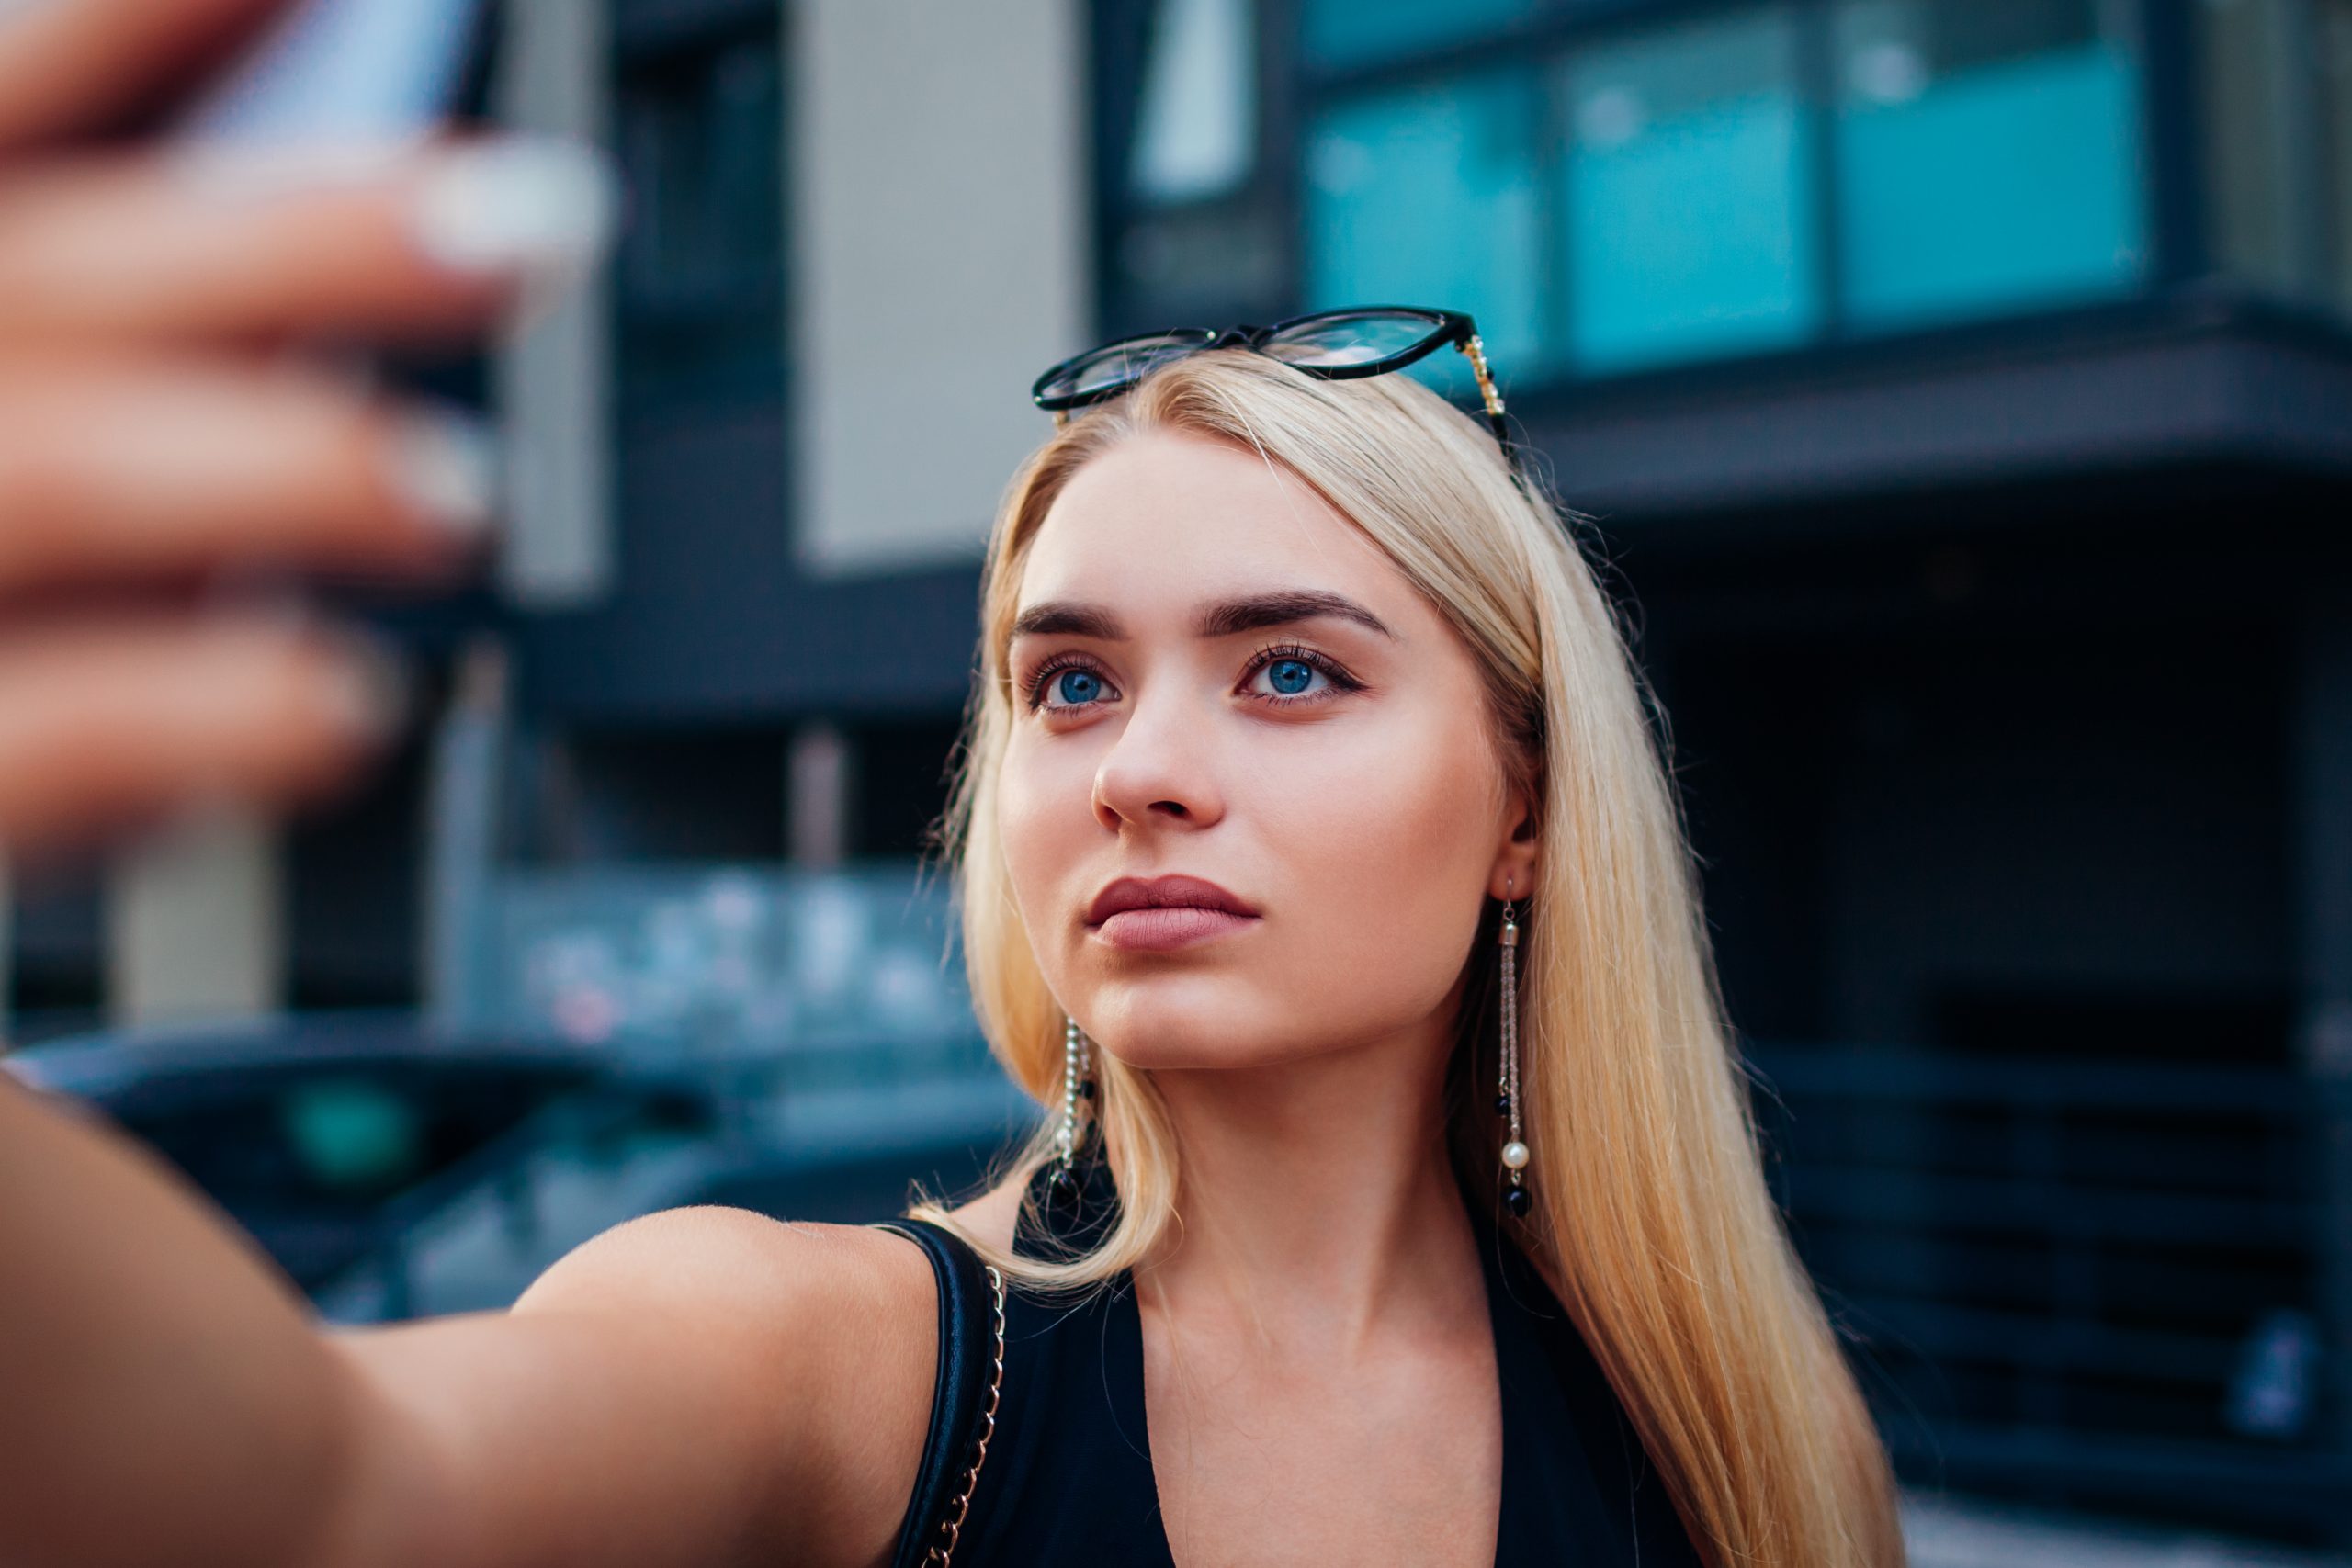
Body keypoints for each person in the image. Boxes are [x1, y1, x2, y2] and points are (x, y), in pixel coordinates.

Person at [0, 4, 1905, 1565]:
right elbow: (326, 1492)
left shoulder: (1746, 1438)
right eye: (1067, 680)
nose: (1142, 771)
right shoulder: (821, 1367)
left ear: (1522, 809)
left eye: (1292, 669)